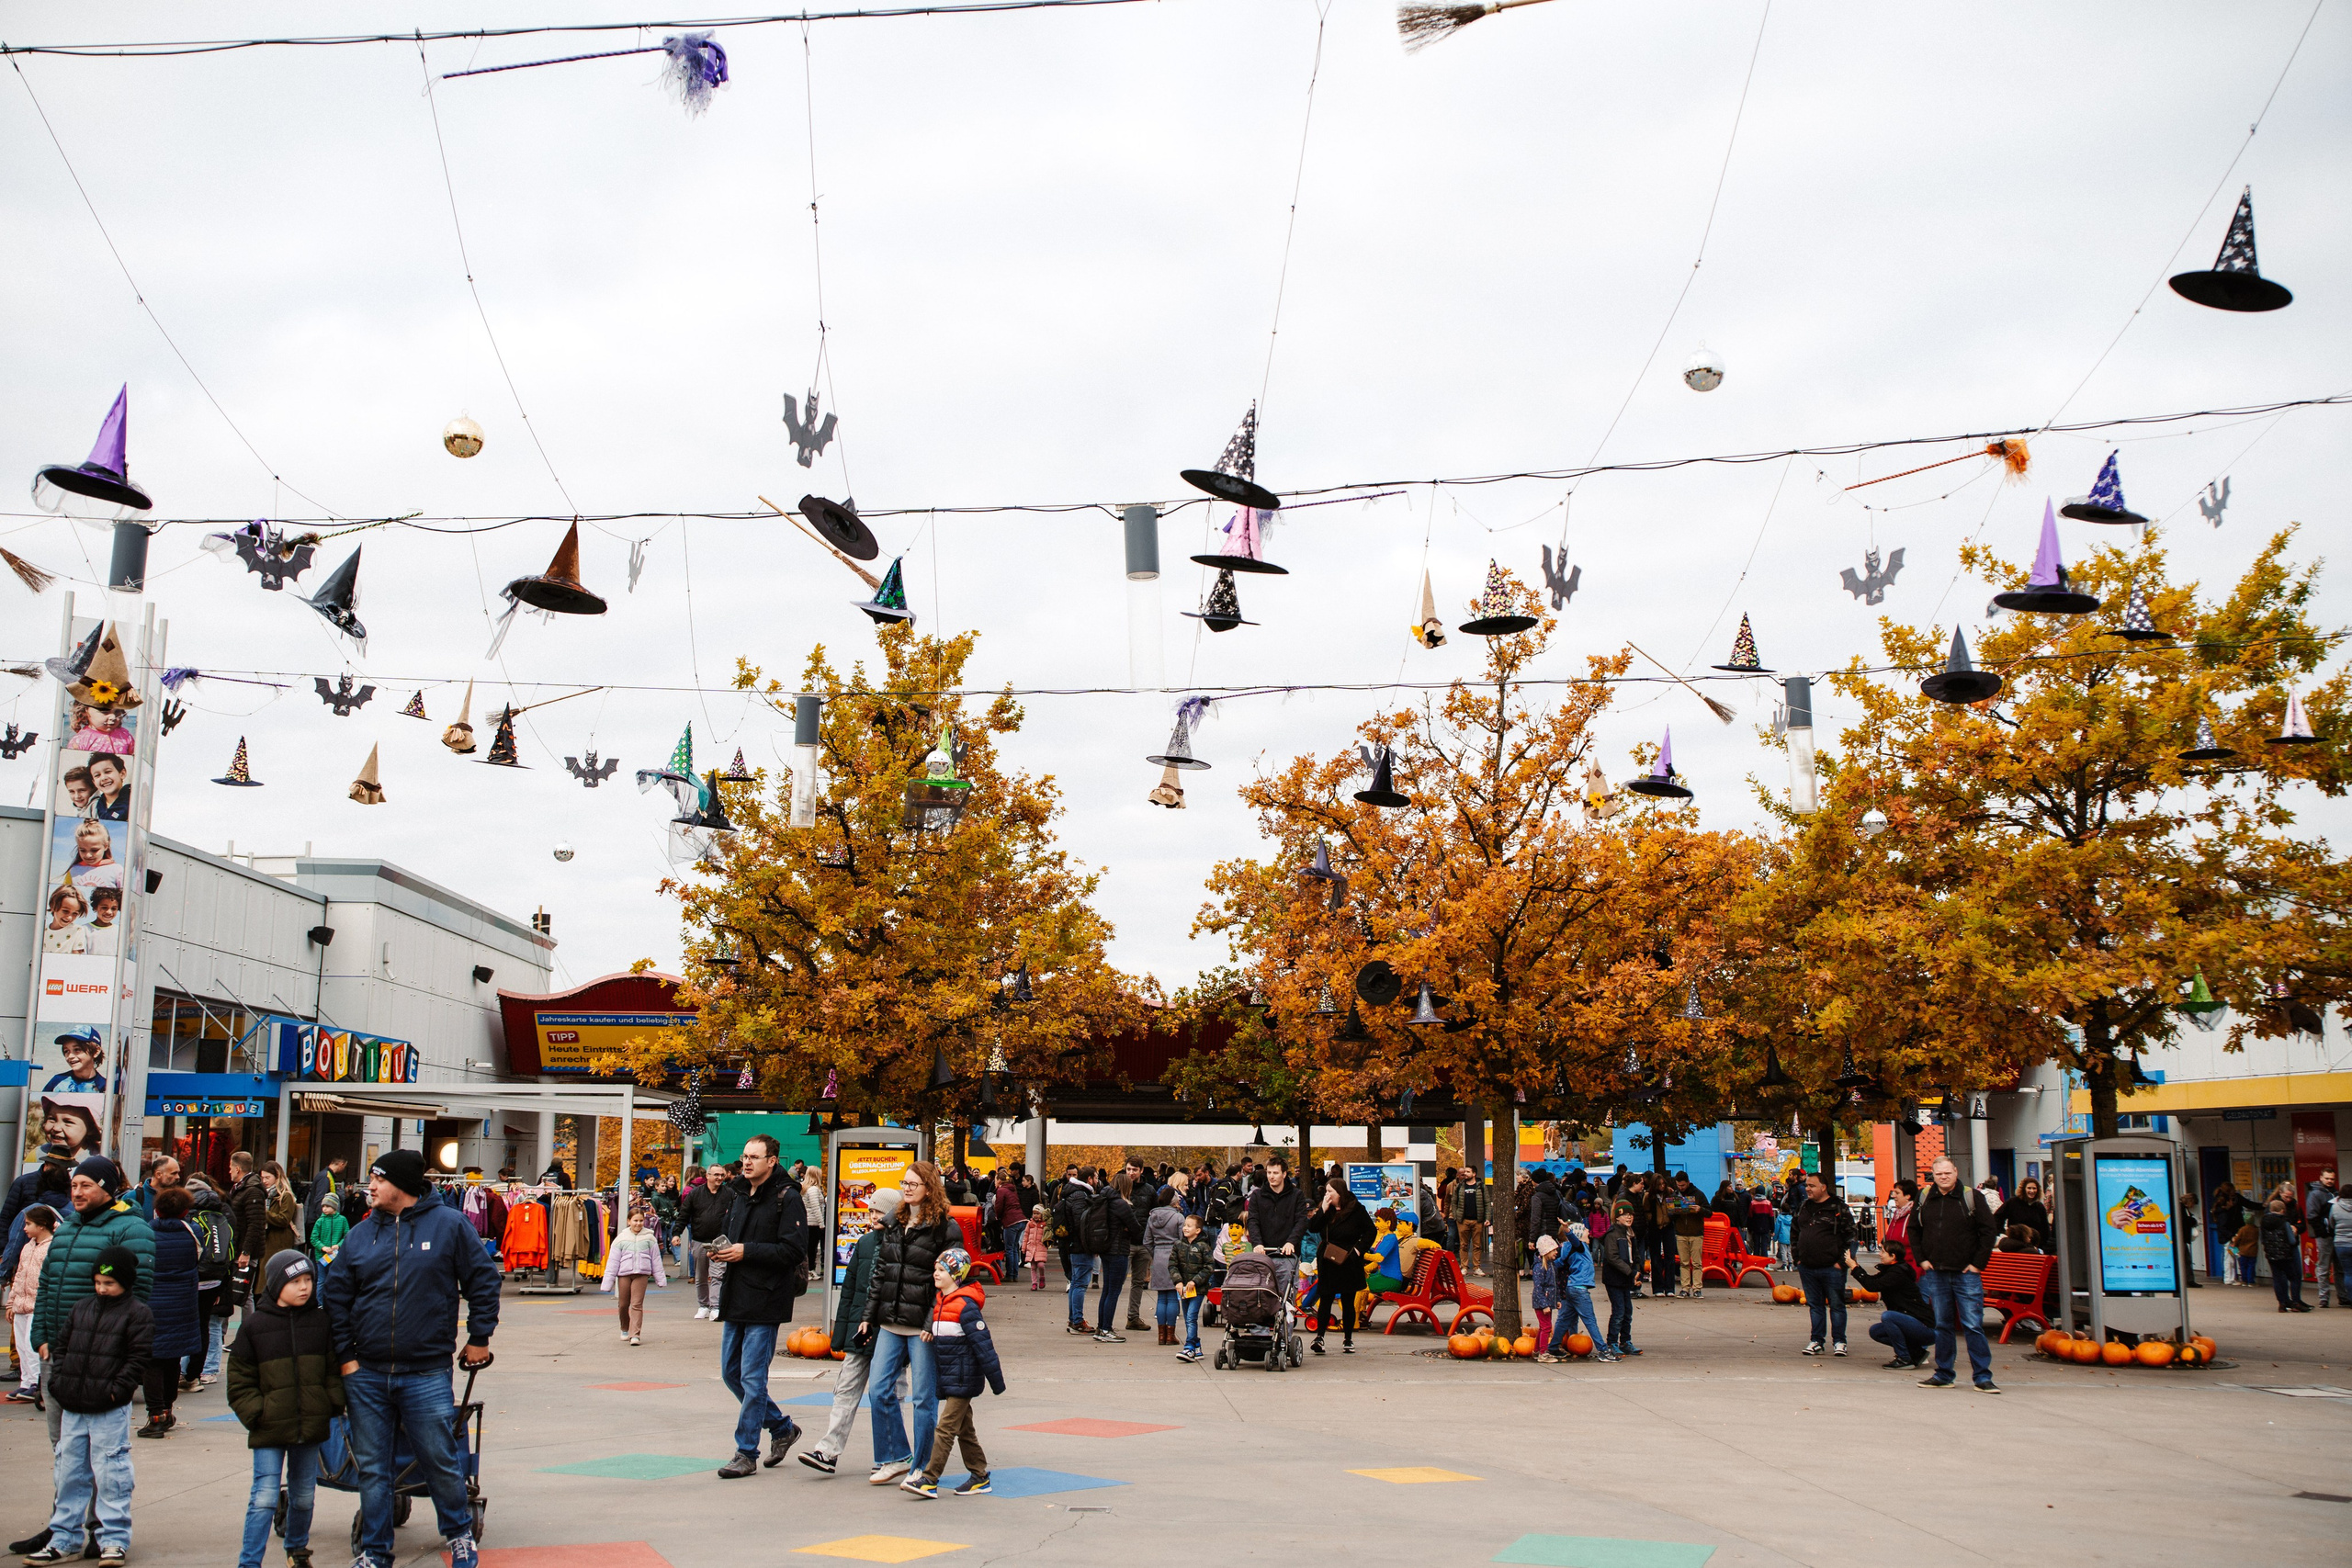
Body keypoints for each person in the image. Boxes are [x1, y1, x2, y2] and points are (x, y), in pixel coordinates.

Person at [322, 1149, 498, 1568]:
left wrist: (479, 1337)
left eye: (377, 1179)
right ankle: (375, 1551)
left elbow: (483, 1279)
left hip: (427, 1371)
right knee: (373, 1467)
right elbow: (336, 1296)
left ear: (400, 1184)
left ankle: (458, 1535)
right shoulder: (361, 1234)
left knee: (439, 1459)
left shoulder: (450, 1226)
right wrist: (345, 1356)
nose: (371, 1187)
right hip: (366, 1373)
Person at [25, 1246, 150, 1565]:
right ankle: (64, 1537)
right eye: (97, 1282)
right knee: (69, 1471)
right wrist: (59, 1384)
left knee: (112, 1473)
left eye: (108, 1283)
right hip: (74, 1405)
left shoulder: (137, 1314)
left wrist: (115, 1391)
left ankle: (113, 1538)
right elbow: (63, 1347)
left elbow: (137, 1360)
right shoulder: (81, 1308)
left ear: (124, 1282)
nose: (101, 1289)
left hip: (108, 1407)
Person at [226, 1249, 341, 1568]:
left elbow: (333, 1370)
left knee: (303, 1496)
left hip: (310, 1424)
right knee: (263, 1497)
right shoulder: (254, 1327)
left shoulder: (320, 1323)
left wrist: (330, 1403)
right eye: (295, 1281)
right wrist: (257, 1414)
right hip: (269, 1428)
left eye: (308, 1280)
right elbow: (239, 1381)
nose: (304, 1287)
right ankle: (249, 1561)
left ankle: (297, 1550)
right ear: (277, 1285)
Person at [864, 1161, 958, 1486]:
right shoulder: (894, 1222)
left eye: (912, 1184)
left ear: (929, 1188)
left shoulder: (945, 1227)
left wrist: (933, 1320)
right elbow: (881, 1271)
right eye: (903, 1183)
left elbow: (951, 1280)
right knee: (878, 1390)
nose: (906, 1189)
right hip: (890, 1321)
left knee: (923, 1399)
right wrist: (868, 1316)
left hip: (922, 1326)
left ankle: (921, 1466)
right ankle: (895, 1456)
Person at [797, 1189, 901, 1477]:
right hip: (861, 1331)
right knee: (845, 1389)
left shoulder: (904, 1243)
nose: (874, 1216)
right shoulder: (865, 1243)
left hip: (892, 1332)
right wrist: (841, 1333)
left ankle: (892, 1454)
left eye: (880, 1212)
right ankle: (827, 1451)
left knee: (890, 1394)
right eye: (871, 1211)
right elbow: (850, 1292)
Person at [899, 1247, 1005, 1499]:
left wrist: (996, 1381)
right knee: (964, 1429)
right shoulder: (940, 1302)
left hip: (964, 1378)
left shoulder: (966, 1307)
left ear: (956, 1275)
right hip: (951, 1377)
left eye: (942, 1270)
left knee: (945, 1427)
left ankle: (929, 1478)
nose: (936, 1273)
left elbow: (984, 1346)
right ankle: (979, 1475)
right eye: (935, 1269)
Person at [1911, 1156, 1999, 1393]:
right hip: (1937, 1273)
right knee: (1942, 1325)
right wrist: (1922, 1259)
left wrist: (1977, 1264)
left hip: (1966, 1273)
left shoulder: (1972, 1197)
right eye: (1939, 1174)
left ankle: (1982, 1377)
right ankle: (1944, 1373)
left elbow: (1988, 1231)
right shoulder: (1924, 1197)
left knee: (1973, 1325)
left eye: (1947, 1173)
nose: (1943, 1177)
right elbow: (1914, 1229)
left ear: (1956, 1172)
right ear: (1933, 1175)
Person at [138, 1189, 202, 1439]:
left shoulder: (147, 1233)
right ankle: (167, 1409)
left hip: (153, 1304)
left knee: (152, 1360)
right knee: (173, 1358)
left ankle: (155, 1417)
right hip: (183, 1304)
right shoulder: (192, 1233)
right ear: (185, 1211)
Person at [1792, 1171, 1856, 1357]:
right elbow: (1795, 1233)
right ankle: (1816, 1340)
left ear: (1823, 1187)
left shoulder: (1838, 1208)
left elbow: (1850, 1236)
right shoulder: (1804, 1207)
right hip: (1808, 1266)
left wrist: (1841, 1263)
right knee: (1815, 1305)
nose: (1808, 1189)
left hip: (1832, 1267)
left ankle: (1840, 1342)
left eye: (1811, 1186)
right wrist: (1798, 1259)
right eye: (1806, 1186)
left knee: (1836, 1305)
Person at [1306, 1182, 1373, 1356]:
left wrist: (1358, 1250)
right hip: (1328, 1257)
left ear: (1340, 1193)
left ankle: (1348, 1338)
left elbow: (1370, 1231)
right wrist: (1323, 1209)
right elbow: (1313, 1227)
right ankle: (1320, 1337)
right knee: (1326, 1297)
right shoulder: (1326, 1209)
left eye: (1330, 1192)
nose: (1327, 1194)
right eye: (1326, 1191)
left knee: (1348, 1299)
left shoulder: (1356, 1209)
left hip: (1349, 1258)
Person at [599, 1204, 668, 1345]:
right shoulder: (621, 1238)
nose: (638, 1223)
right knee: (623, 1304)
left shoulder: (650, 1238)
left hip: (641, 1274)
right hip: (624, 1275)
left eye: (641, 1221)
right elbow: (613, 1261)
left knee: (637, 1304)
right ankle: (625, 1328)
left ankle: (635, 1334)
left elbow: (656, 1260)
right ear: (628, 1221)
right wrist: (607, 1283)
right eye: (635, 1220)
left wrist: (660, 1279)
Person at [9, 1206, 57, 1404]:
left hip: (37, 1305)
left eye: (28, 1224)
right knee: (21, 1346)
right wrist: (12, 1302)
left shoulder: (51, 1247)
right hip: (21, 1304)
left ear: (42, 1224)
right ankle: (26, 1380)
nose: (25, 1228)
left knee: (32, 1346)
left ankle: (36, 1382)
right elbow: (19, 1274)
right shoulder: (28, 1247)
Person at [1088, 1172, 1143, 1345]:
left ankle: (1101, 1326)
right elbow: (1136, 1229)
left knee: (1107, 1290)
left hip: (1105, 1248)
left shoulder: (1104, 1200)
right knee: (1114, 1291)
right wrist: (1127, 1230)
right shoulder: (1121, 1205)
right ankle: (1106, 1329)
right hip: (1118, 1250)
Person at [1853, 1251, 1933, 1369]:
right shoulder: (1890, 1271)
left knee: (1888, 1316)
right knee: (1876, 1331)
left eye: (1883, 1251)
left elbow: (1873, 1286)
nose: (1880, 1254)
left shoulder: (1897, 1274)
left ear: (1893, 1256)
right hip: (1910, 1322)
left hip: (1925, 1327)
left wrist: (1855, 1268)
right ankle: (1916, 1352)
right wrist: (1856, 1267)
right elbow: (1870, 1281)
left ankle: (1904, 1358)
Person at [1245, 1155, 1307, 1307]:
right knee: (1261, 1297)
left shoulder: (1296, 1195)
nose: (1271, 1176)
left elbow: (1301, 1221)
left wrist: (1291, 1242)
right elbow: (1253, 1221)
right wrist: (1257, 1243)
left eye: (1275, 1173)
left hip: (1287, 1255)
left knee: (1286, 1298)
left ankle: (1286, 1328)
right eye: (1269, 1173)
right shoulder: (1257, 1196)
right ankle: (1261, 1331)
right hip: (1264, 1253)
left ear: (1284, 1174)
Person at [1545, 1223, 1608, 1361]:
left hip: (1571, 1287)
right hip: (1579, 1289)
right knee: (1590, 1320)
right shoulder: (1580, 1246)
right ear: (1578, 1235)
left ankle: (1553, 1347)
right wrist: (1568, 1230)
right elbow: (1574, 1240)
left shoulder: (1568, 1248)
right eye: (1585, 1229)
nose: (1588, 1231)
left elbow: (1560, 1261)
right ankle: (1603, 1351)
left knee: (1564, 1319)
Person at [681, 1163, 731, 1319]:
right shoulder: (695, 1194)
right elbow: (684, 1213)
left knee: (718, 1275)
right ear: (707, 1176)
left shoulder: (729, 1193)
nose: (719, 1178)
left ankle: (716, 1306)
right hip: (699, 1240)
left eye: (721, 1175)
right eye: (716, 1175)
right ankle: (703, 1305)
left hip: (720, 1241)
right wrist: (677, 1233)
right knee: (701, 1275)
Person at [1055, 1168, 1098, 1334]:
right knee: (1080, 1283)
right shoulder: (1080, 1196)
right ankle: (1077, 1321)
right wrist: (1091, 1245)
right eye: (1095, 1178)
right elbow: (1082, 1223)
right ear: (1089, 1179)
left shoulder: (1071, 1193)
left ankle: (1074, 1319)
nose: (1097, 1181)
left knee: (1075, 1283)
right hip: (1080, 1246)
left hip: (1072, 1244)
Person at [1144, 1185, 1188, 1347]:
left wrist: (1156, 1253)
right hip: (1174, 1255)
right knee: (1172, 1297)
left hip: (1159, 1257)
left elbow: (1147, 1241)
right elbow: (1184, 1239)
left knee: (1161, 1297)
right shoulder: (1178, 1218)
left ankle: (1161, 1335)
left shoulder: (1152, 1217)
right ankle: (1171, 1334)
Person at [1170, 1214, 1215, 1363]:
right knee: (1188, 1317)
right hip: (1183, 1288)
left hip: (1198, 1289)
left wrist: (1195, 1281)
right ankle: (1196, 1345)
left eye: (1189, 1226)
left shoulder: (1203, 1246)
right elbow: (1172, 1265)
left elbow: (1209, 1267)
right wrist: (1178, 1281)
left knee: (1191, 1317)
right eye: (1185, 1225)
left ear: (1198, 1230)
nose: (1185, 1228)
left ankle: (1189, 1347)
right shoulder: (1178, 1245)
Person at [226, 1151, 269, 1305]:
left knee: (244, 1293)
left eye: (231, 1167)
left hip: (245, 1251)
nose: (229, 1170)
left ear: (238, 1169)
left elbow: (256, 1224)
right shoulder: (240, 1188)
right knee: (233, 1291)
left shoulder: (252, 1190)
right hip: (237, 1248)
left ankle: (250, 1327)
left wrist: (246, 1252)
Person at [1600, 1200, 1640, 1356]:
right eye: (1625, 1215)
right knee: (1619, 1311)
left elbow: (1635, 1256)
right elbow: (1612, 1257)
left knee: (1627, 1311)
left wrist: (1636, 1271)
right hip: (1614, 1278)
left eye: (1631, 1215)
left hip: (1626, 1278)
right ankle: (1612, 1342)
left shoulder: (1630, 1233)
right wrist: (1630, 1272)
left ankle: (1625, 1341)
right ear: (1617, 1217)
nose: (1629, 1218)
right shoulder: (1613, 1234)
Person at [2260, 1199, 2310, 1312]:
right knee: (2294, 1277)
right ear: (2283, 1211)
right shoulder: (2284, 1222)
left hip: (2271, 1255)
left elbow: (2262, 1239)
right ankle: (2296, 1302)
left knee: (2277, 1278)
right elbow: (2292, 1241)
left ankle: (2282, 1304)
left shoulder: (2264, 1222)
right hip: (2286, 1254)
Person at [1665, 1174, 1710, 1298]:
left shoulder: (1699, 1194)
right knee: (1683, 1262)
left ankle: (1697, 1288)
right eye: (1679, 1185)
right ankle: (1685, 1288)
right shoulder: (1675, 1195)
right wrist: (1674, 1211)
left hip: (1696, 1233)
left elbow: (1709, 1212)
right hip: (1680, 1233)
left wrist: (1699, 1209)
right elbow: (1670, 1216)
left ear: (1688, 1182)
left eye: (1683, 1185)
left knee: (1696, 1263)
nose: (1681, 1188)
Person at [1992, 1177, 2051, 1253]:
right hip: (2016, 1245)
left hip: (2035, 1247)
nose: (2032, 1191)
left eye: (2034, 1188)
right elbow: (1997, 1217)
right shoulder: (2012, 1202)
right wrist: (2002, 1233)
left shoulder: (2039, 1207)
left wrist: (2041, 1245)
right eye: (2029, 1188)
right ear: (2023, 1189)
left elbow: (2045, 1229)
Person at [2307, 1169, 2338, 1308]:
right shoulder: (2315, 1195)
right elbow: (2312, 1217)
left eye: (2332, 1179)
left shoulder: (2337, 1194)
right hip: (2325, 1236)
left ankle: (2343, 1296)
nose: (2329, 1181)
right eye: (2327, 1178)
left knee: (2340, 1268)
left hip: (2337, 1235)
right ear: (2321, 1178)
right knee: (2324, 1267)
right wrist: (2322, 1232)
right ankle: (2324, 1297)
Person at [62, 820, 121, 894]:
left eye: (94, 850)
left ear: (106, 846)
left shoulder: (117, 871)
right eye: (83, 850)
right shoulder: (73, 871)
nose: (88, 855)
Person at [261, 1162, 300, 1261]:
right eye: (262, 1178)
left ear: (277, 1176)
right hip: (267, 1241)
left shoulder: (286, 1195)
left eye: (267, 1177)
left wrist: (264, 1213)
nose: (264, 1181)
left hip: (279, 1243)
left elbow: (284, 1219)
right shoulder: (266, 1195)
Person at [1453, 1168, 1487, 1278]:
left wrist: (1487, 1218)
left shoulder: (1481, 1186)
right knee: (1463, 1244)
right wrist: (1456, 1215)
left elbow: (1486, 1202)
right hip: (1463, 1220)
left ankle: (1476, 1267)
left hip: (1477, 1220)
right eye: (1464, 1172)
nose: (1465, 1174)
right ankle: (1464, 1267)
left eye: (1468, 1172)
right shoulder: (1460, 1186)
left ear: (1474, 1174)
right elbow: (1454, 1201)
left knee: (1477, 1245)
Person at [308, 1192, 348, 1272]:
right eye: (323, 1206)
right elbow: (313, 1238)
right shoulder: (320, 1221)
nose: (324, 1209)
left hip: (337, 1255)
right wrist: (323, 1247)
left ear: (335, 1207)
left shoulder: (342, 1220)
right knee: (321, 1280)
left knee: (335, 1279)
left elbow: (347, 1236)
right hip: (321, 1256)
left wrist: (339, 1245)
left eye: (328, 1206)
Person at [68, 705, 133, 755]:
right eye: (105, 712)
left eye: (117, 711)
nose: (113, 717)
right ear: (85, 712)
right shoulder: (81, 740)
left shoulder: (125, 735)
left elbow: (135, 758)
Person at [41, 887, 88, 954]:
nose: (69, 917)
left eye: (75, 913)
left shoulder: (77, 930)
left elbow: (77, 960)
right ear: (53, 906)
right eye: (65, 911)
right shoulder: (43, 931)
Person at [85, 755, 129, 822]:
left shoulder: (133, 799)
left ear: (122, 774)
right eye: (97, 775)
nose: (103, 778)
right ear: (94, 782)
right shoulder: (97, 805)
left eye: (108, 772)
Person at [1022, 1205, 1050, 1290]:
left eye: (1037, 1213)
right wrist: (1024, 1247)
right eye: (1034, 1213)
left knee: (1041, 1265)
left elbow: (1048, 1235)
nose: (1035, 1215)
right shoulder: (1030, 1224)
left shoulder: (1044, 1224)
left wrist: (1047, 1244)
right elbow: (1025, 1236)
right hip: (1031, 1248)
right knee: (1033, 1267)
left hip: (1041, 1248)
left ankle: (1042, 1277)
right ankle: (1034, 1283)